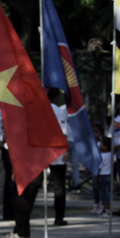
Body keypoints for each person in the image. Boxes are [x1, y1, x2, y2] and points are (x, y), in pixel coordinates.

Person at [48, 89, 69, 226]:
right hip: (56, 151)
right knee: (59, 186)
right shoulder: (59, 111)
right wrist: (66, 150)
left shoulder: (39, 110)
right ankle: (59, 217)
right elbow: (63, 132)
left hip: (40, 151)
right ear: (56, 97)